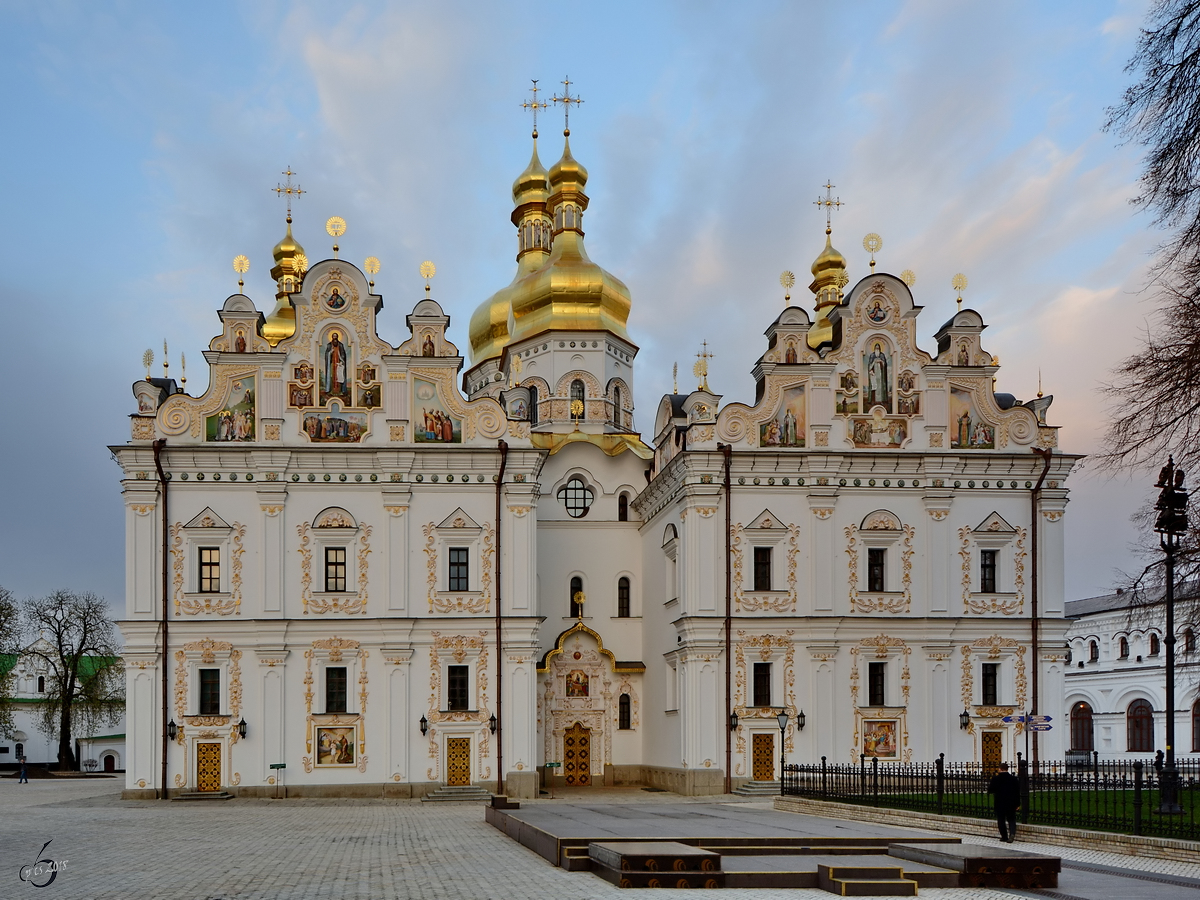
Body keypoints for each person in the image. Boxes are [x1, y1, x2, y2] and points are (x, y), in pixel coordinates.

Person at [988, 762, 1021, 843]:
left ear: (1000, 769)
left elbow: (990, 790)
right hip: (1011, 802)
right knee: (1011, 819)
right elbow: (1017, 792)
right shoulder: (1013, 779)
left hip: (1000, 802)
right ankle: (1012, 833)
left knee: (1001, 820)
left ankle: (1004, 836)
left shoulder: (996, 779)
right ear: (1007, 769)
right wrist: (1017, 804)